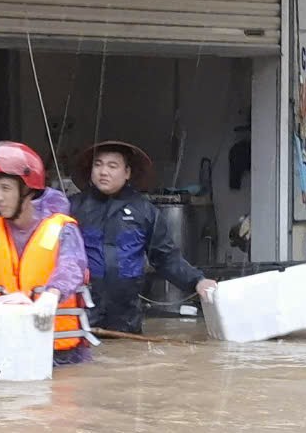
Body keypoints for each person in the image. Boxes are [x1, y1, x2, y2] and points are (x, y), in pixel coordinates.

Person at [0, 141, 90, 364]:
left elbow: (71, 268)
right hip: (6, 349)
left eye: (6, 188)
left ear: (28, 191)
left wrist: (48, 298)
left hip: (60, 357)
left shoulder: (62, 229)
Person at [68, 139, 216, 334]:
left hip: (126, 318)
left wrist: (197, 280)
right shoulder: (72, 207)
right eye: (98, 165)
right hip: (81, 313)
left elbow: (166, 258)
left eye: (112, 166)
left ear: (127, 172)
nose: (103, 172)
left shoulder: (144, 211)